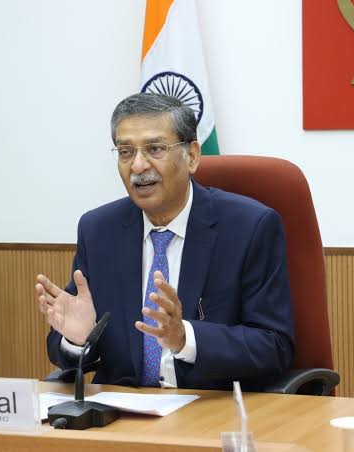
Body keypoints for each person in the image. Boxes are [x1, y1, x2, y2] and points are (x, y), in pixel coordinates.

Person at [36, 93, 294, 391]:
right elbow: (67, 350)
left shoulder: (249, 228)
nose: (137, 166)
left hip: (212, 406)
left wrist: (185, 338)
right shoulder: (99, 230)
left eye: (155, 149)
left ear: (192, 156)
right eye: (125, 152)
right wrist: (78, 339)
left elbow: (274, 345)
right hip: (123, 408)